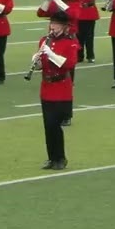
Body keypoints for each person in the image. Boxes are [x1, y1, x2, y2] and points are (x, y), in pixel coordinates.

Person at [32, 10, 80, 170]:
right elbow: (41, 66)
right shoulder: (44, 41)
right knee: (48, 125)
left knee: (55, 124)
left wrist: (50, 54)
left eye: (57, 24)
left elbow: (69, 64)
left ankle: (60, 158)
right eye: (52, 23)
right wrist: (36, 61)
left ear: (65, 27)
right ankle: (52, 157)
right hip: (47, 86)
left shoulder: (70, 42)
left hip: (61, 87)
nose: (53, 27)